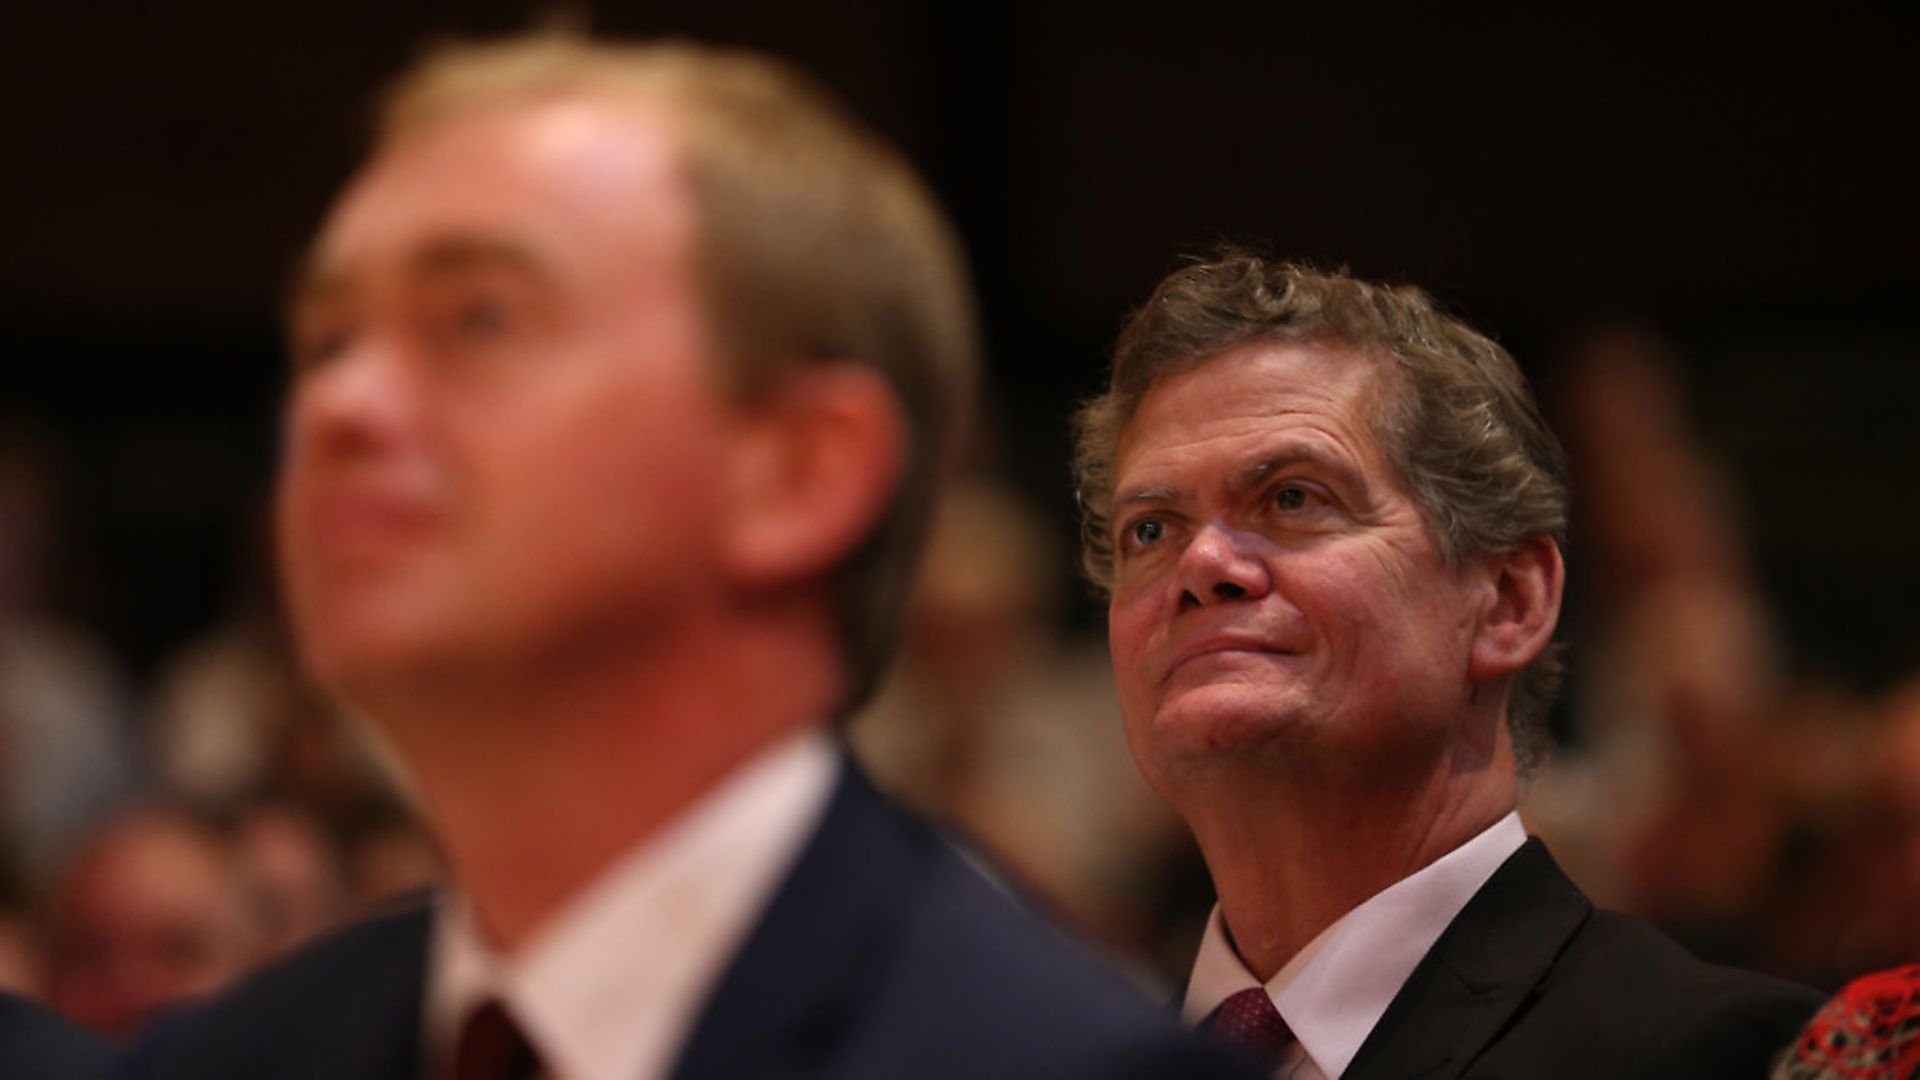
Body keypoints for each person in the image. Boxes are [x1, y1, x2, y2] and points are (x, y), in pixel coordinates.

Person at [126, 33, 1254, 1080]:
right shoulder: (224, 1060)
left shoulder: (1054, 1066)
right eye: (330, 341)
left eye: (477, 318)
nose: (337, 406)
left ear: (800, 472)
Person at [1072, 252, 1823, 1077]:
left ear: (1509, 601)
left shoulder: (1722, 1057)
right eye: (1149, 529)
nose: (1202, 561)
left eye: (1293, 497)